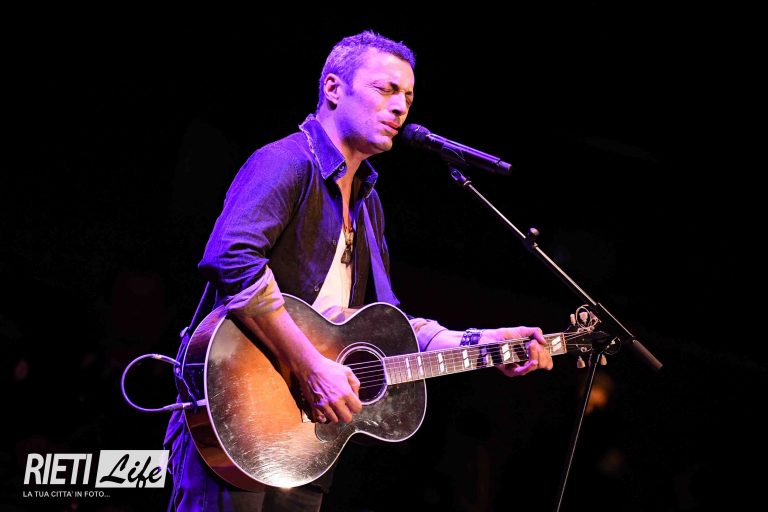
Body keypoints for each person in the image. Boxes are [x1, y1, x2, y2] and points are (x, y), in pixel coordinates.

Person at [164, 30, 553, 511]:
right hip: (236, 414)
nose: (400, 107)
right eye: (385, 89)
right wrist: (311, 366)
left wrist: (480, 342)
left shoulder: (368, 204)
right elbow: (232, 258)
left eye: (408, 96)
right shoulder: (286, 161)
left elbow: (386, 326)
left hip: (304, 438)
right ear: (333, 88)